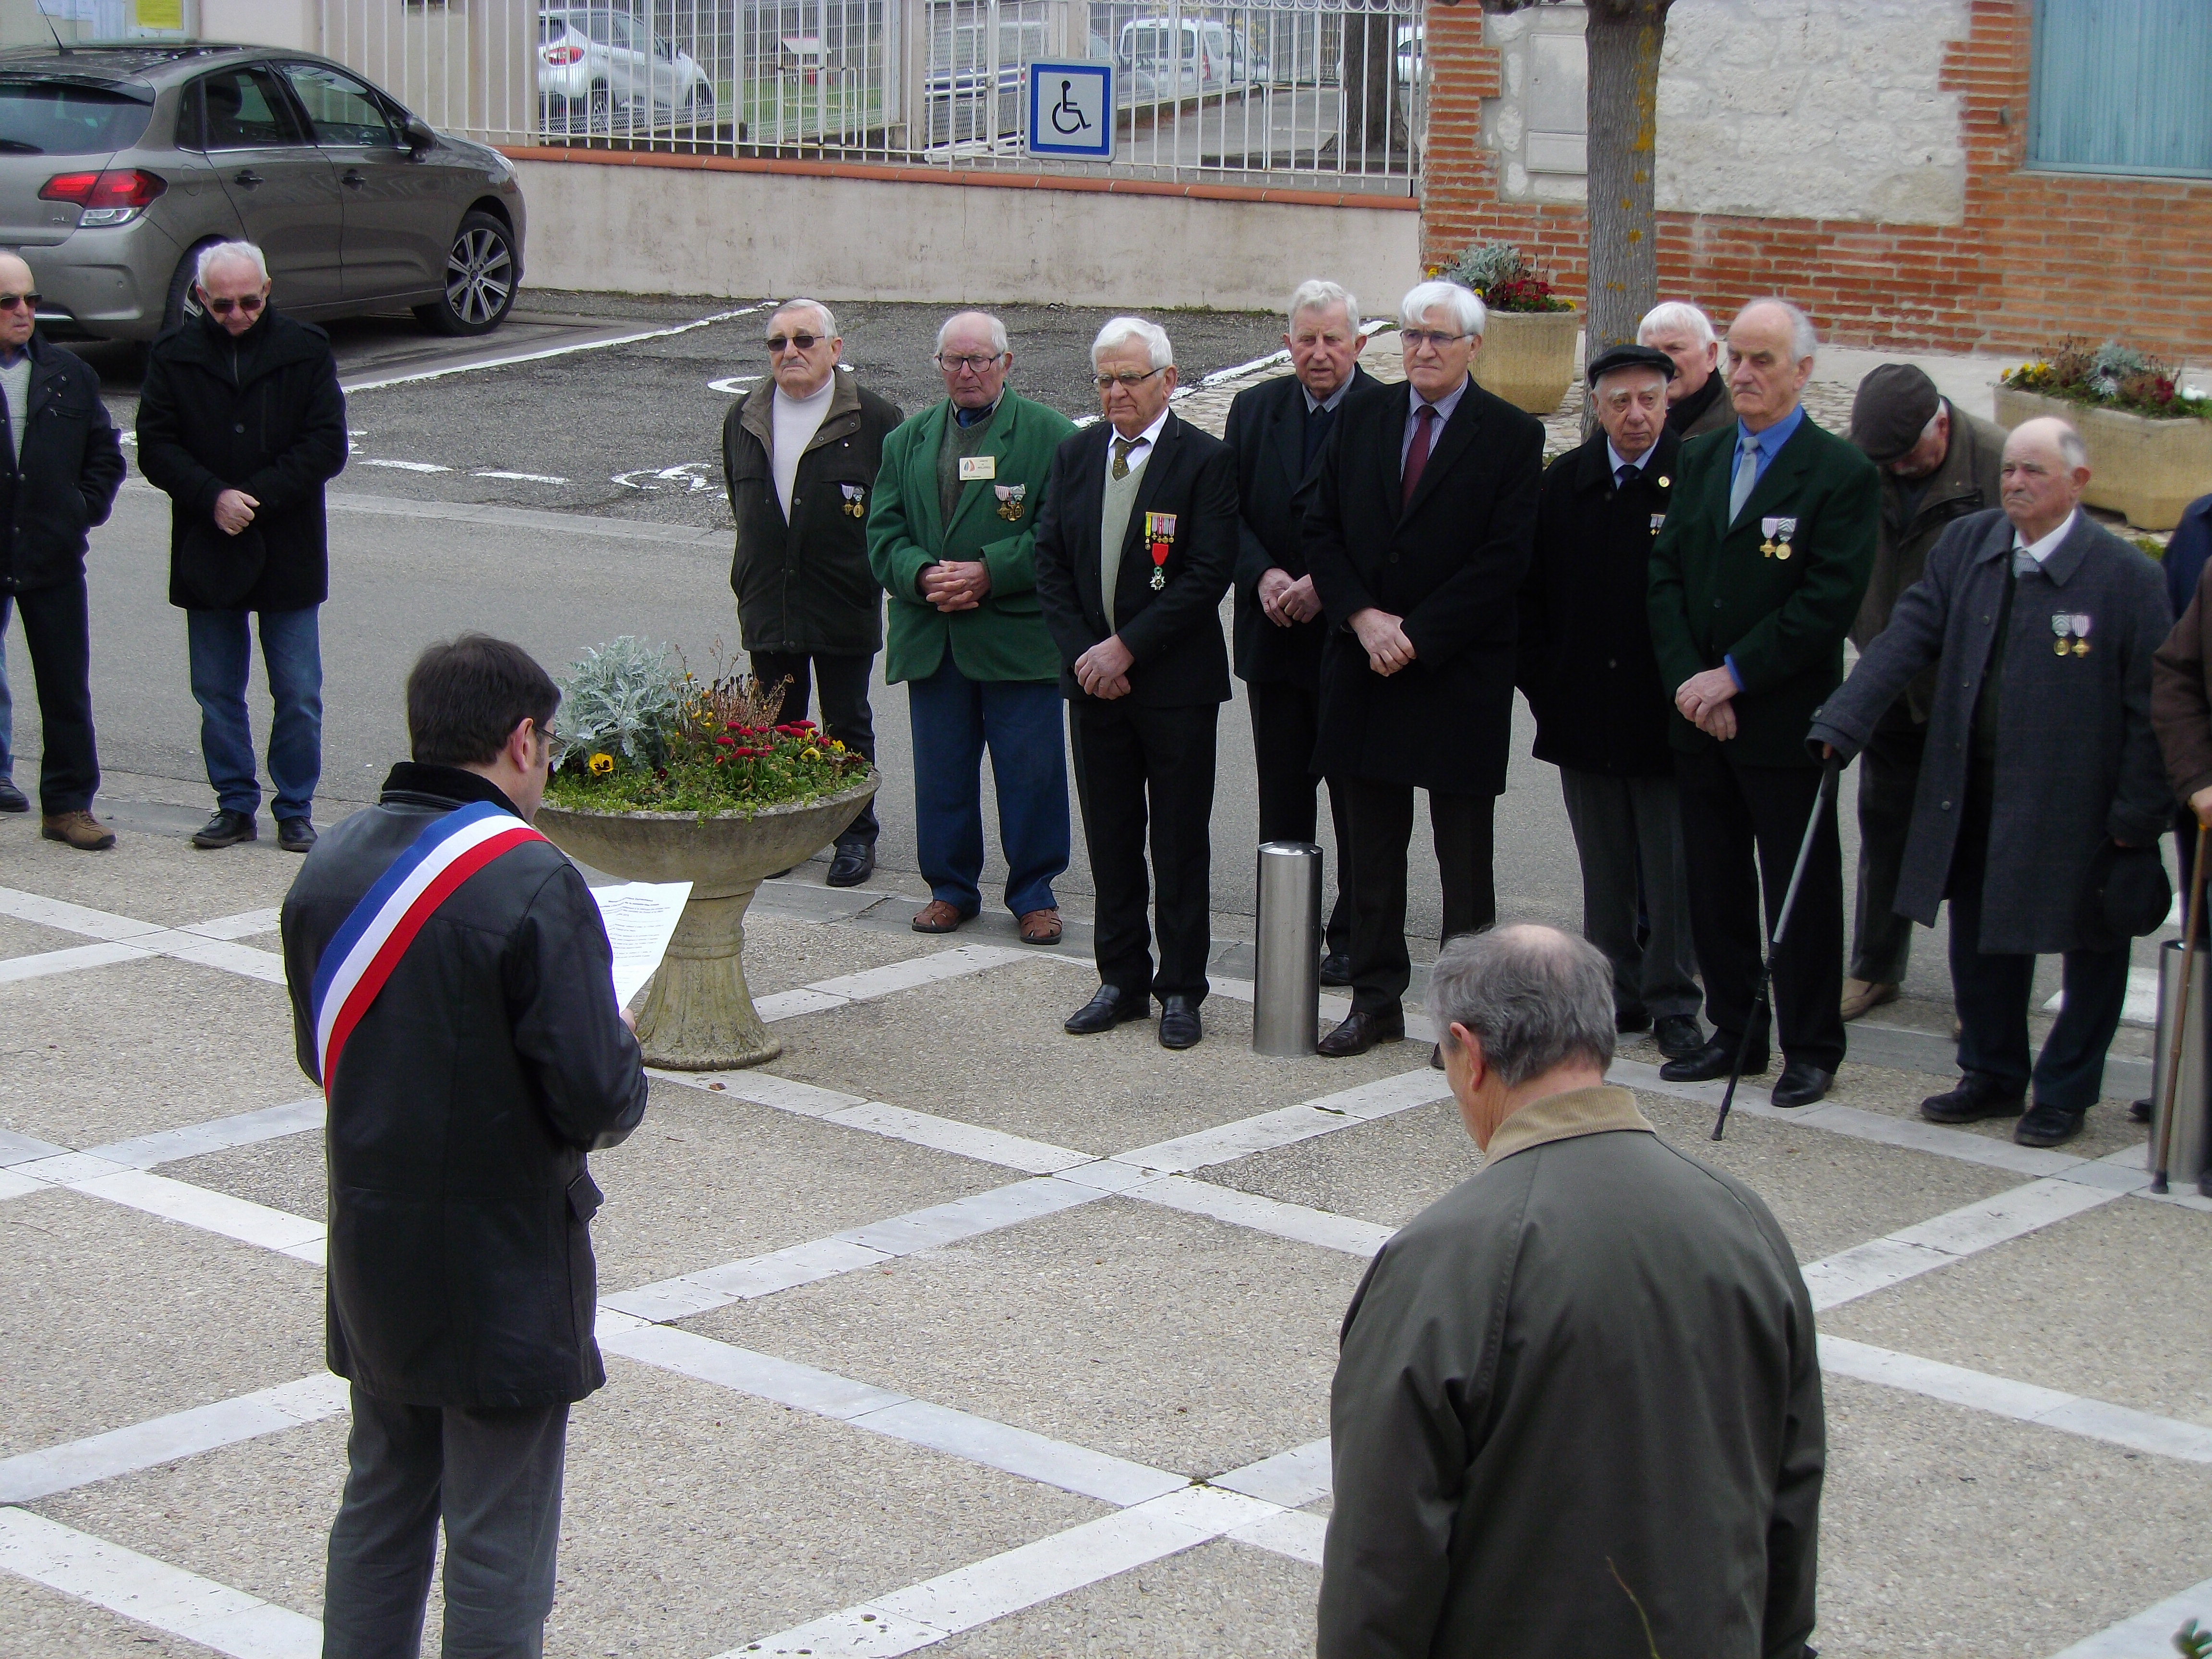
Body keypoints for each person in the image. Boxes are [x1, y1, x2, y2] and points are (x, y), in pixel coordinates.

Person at [279, 634, 648, 1656]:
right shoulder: (532, 877)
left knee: (381, 1506)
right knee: (497, 1538)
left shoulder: (334, 858)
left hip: (376, 1239)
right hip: (504, 1253)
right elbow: (596, 1099)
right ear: (523, 740)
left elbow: (326, 1058)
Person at [1319, 924, 1824, 1659]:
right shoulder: (1744, 1224)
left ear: (1474, 1054)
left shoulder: (1443, 1260)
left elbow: (1383, 1557)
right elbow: (1791, 1487)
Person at [1813, 419, 2171, 1148]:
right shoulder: (1970, 546)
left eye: (2035, 472)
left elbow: (2153, 705)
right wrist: (1842, 721)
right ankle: (1992, 1072)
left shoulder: (2128, 578)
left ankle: (2066, 1091)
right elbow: (1907, 635)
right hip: (1974, 788)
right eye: (2009, 469)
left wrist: (2139, 811)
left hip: (2084, 804)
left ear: (2078, 483)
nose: (2015, 483)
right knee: (1980, 938)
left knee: (2091, 946)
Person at [1302, 279, 1543, 1058]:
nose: (1423, 350)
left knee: (1462, 864)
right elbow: (1320, 526)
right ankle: (1373, 1001)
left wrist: (1421, 633)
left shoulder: (1509, 435)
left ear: (1473, 346)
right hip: (1364, 665)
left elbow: (1505, 559)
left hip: (1455, 673)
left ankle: (1462, 1020)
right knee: (1369, 855)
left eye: (1439, 338)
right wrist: (1364, 618)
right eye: (1410, 336)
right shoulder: (1363, 416)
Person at [1648, 297, 1877, 1109]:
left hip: (1780, 720)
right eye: (1735, 359)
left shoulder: (1840, 474)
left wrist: (1733, 676)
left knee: (1799, 890)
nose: (1743, 375)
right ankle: (1734, 1028)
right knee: (1712, 883)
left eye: (1762, 361)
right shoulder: (1702, 457)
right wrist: (1690, 679)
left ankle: (1811, 1046)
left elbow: (1824, 601)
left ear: (1802, 372)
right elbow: (1667, 574)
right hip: (1700, 718)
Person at [1032, 316, 1238, 1050]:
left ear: (1168, 382)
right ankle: (1119, 978)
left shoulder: (1204, 461)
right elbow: (1049, 561)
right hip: (1094, 686)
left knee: (1180, 843)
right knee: (1112, 838)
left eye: (1130, 378)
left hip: (1174, 687)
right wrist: (1090, 654)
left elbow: (1207, 574)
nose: (1116, 392)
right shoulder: (1076, 454)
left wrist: (1127, 650)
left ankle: (1181, 988)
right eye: (1106, 379)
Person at [866, 311, 1076, 941]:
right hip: (936, 638)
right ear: (939, 368)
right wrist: (922, 574)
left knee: (1031, 774)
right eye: (955, 361)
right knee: (942, 775)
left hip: (1016, 639)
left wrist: (990, 571)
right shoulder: (906, 441)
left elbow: (1061, 535)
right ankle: (950, 890)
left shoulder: (1050, 436)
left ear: (1006, 364)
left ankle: (1035, 894)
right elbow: (882, 533)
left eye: (981, 360)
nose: (968, 372)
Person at [1518, 343, 1703, 1059]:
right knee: (1607, 873)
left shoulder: (1694, 479)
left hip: (1667, 716)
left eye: (1649, 400)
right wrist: (1549, 687)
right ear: (1595, 406)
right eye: (1619, 401)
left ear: (1669, 402)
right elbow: (1529, 600)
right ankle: (1616, 995)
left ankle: (1675, 1001)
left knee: (1671, 868)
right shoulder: (1565, 484)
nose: (1635, 415)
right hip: (1584, 712)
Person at [137, 240, 346, 854]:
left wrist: (252, 496)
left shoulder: (304, 350)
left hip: (286, 544)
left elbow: (325, 444)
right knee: (217, 691)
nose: (237, 316)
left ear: (268, 290)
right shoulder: (174, 356)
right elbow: (156, 445)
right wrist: (212, 497)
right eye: (223, 305)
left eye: (249, 303)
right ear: (201, 299)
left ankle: (295, 807)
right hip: (209, 545)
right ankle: (233, 804)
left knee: (299, 692)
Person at [1839, 363, 2007, 1022]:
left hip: (1974, 691)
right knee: (1885, 825)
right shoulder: (1867, 464)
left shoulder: (1994, 465)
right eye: (1886, 459)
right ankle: (1877, 967)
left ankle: (1986, 989)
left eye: (1910, 454)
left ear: (1941, 422)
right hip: (1890, 674)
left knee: (1978, 838)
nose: (1899, 467)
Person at [1224, 279, 1374, 986]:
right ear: (1287, 345)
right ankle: (1289, 928)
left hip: (1349, 640)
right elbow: (1229, 512)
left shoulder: (1385, 412)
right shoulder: (1253, 410)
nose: (1320, 353)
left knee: (1355, 799)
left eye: (1333, 339)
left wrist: (1324, 584)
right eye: (1307, 340)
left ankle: (1352, 936)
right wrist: (1264, 578)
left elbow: (1390, 525)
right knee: (1284, 797)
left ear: (1359, 345)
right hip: (1273, 632)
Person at [723, 298, 901, 886]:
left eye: (803, 339)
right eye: (777, 342)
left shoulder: (875, 418)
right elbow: (742, 504)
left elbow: (892, 510)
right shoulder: (744, 416)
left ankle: (854, 835)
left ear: (835, 349)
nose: (790, 352)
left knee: (847, 722)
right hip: (769, 596)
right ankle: (787, 835)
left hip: (843, 595)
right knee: (778, 723)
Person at [0, 250, 125, 848]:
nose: (23, 312)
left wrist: (81, 508)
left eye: (30, 300)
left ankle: (69, 805)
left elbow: (105, 453)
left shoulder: (69, 374)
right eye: (8, 303)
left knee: (65, 685)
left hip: (50, 554)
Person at [1640, 300, 1735, 439]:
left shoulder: (1739, 426)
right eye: (1652, 351)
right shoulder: (1631, 427)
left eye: (1675, 348)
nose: (1662, 362)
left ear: (1710, 355)